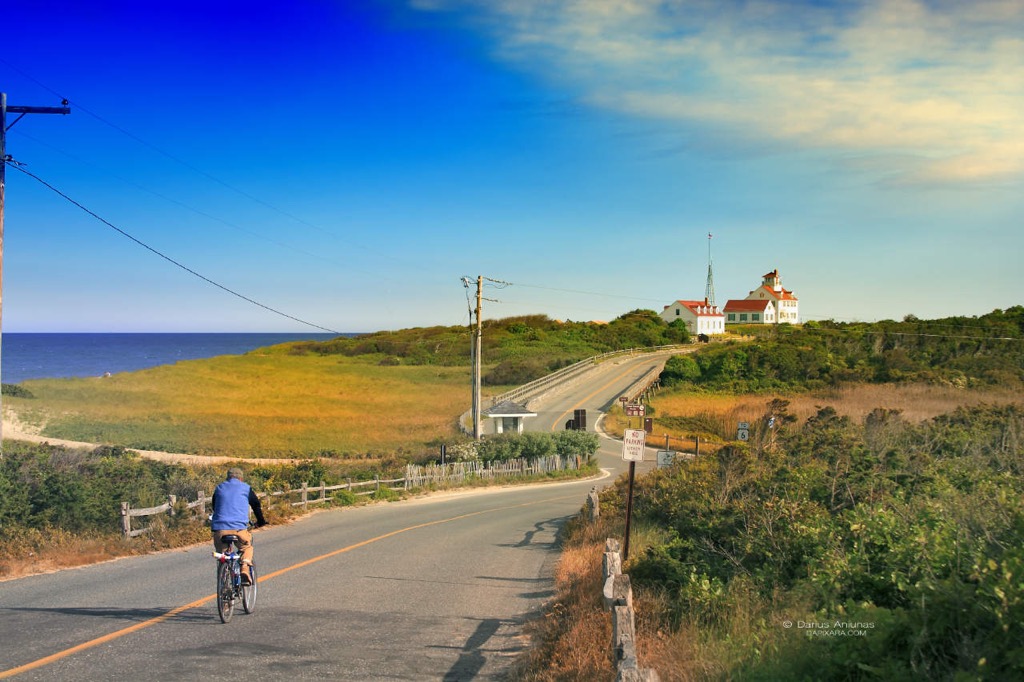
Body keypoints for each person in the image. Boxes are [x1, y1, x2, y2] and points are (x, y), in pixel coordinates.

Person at [211, 467, 267, 584]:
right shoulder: (246, 488)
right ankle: (245, 568)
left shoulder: (219, 488)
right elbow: (256, 505)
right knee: (246, 547)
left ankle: (223, 581)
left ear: (228, 478)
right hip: (239, 528)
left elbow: (215, 506)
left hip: (220, 529)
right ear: (241, 478)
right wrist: (261, 521)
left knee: (223, 556)